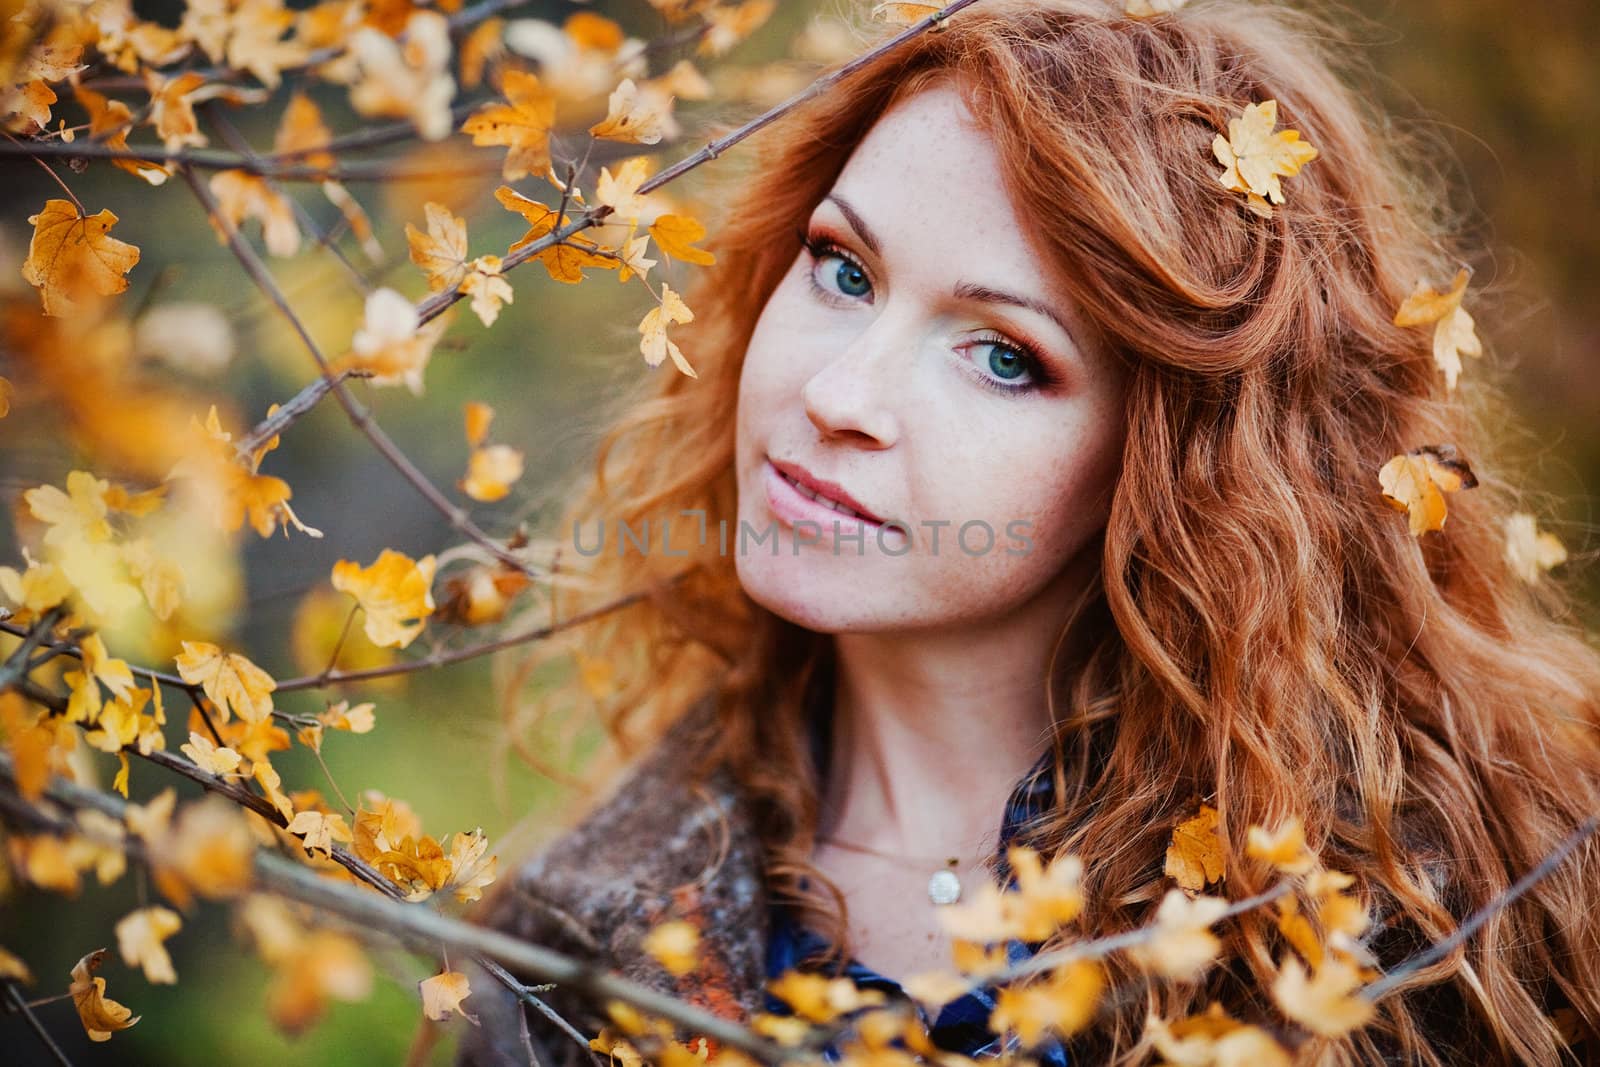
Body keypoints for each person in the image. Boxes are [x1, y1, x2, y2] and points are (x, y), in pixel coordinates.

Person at [451, 1, 1600, 1065]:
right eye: (842, 269)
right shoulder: (571, 945)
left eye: (1003, 354)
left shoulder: (1433, 938)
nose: (838, 394)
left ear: (1178, 466)